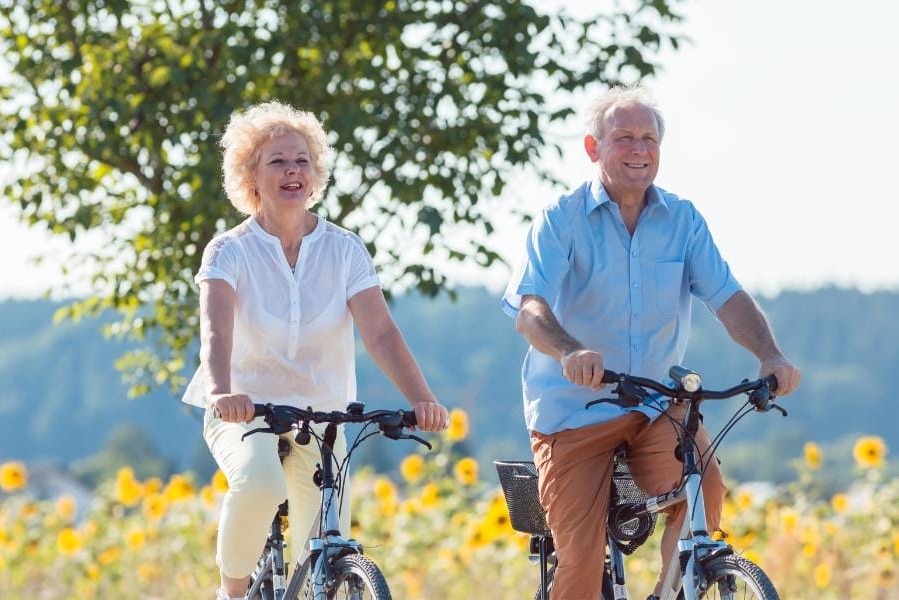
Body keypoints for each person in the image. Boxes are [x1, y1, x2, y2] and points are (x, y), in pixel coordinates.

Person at [501, 86, 801, 599]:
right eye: (624, 138)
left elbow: (727, 298)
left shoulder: (682, 219)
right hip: (573, 411)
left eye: (649, 139)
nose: (639, 150)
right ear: (594, 148)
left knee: (703, 491)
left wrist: (769, 354)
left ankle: (669, 590)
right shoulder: (561, 218)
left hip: (655, 402)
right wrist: (570, 351)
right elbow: (530, 310)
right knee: (578, 568)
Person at [181, 101, 449, 600]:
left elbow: (382, 334)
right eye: (278, 161)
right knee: (261, 484)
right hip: (246, 409)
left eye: (302, 160)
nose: (292, 171)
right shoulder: (228, 251)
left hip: (324, 414)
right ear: (252, 175)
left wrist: (422, 399)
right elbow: (215, 333)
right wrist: (222, 392)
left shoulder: (344, 249)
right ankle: (231, 592)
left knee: (322, 547)